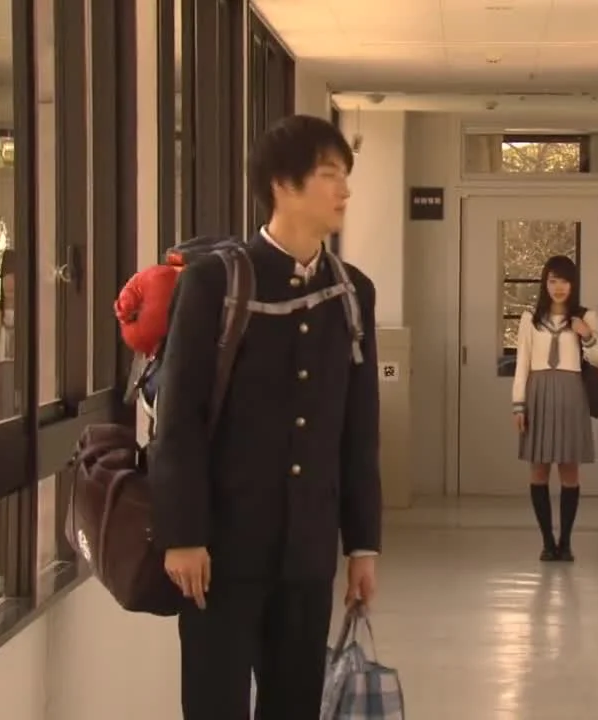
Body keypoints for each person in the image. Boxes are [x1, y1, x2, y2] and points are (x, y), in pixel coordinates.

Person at [148, 114, 382, 719]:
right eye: (329, 175)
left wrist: (363, 544)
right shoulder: (214, 283)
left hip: (307, 553)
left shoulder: (353, 292)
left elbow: (359, 431)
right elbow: (179, 421)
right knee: (215, 705)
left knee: (295, 705)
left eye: (345, 175)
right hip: (219, 552)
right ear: (282, 183)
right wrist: (183, 535)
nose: (344, 190)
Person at [511, 255, 598, 562]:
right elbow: (522, 364)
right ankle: (546, 542)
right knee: (538, 469)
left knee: (569, 469)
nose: (559, 287)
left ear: (573, 284)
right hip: (538, 393)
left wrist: (587, 335)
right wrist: (518, 405)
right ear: (545, 283)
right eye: (553, 280)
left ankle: (565, 542)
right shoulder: (530, 318)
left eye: (564, 281)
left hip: (571, 394)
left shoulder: (586, 316)